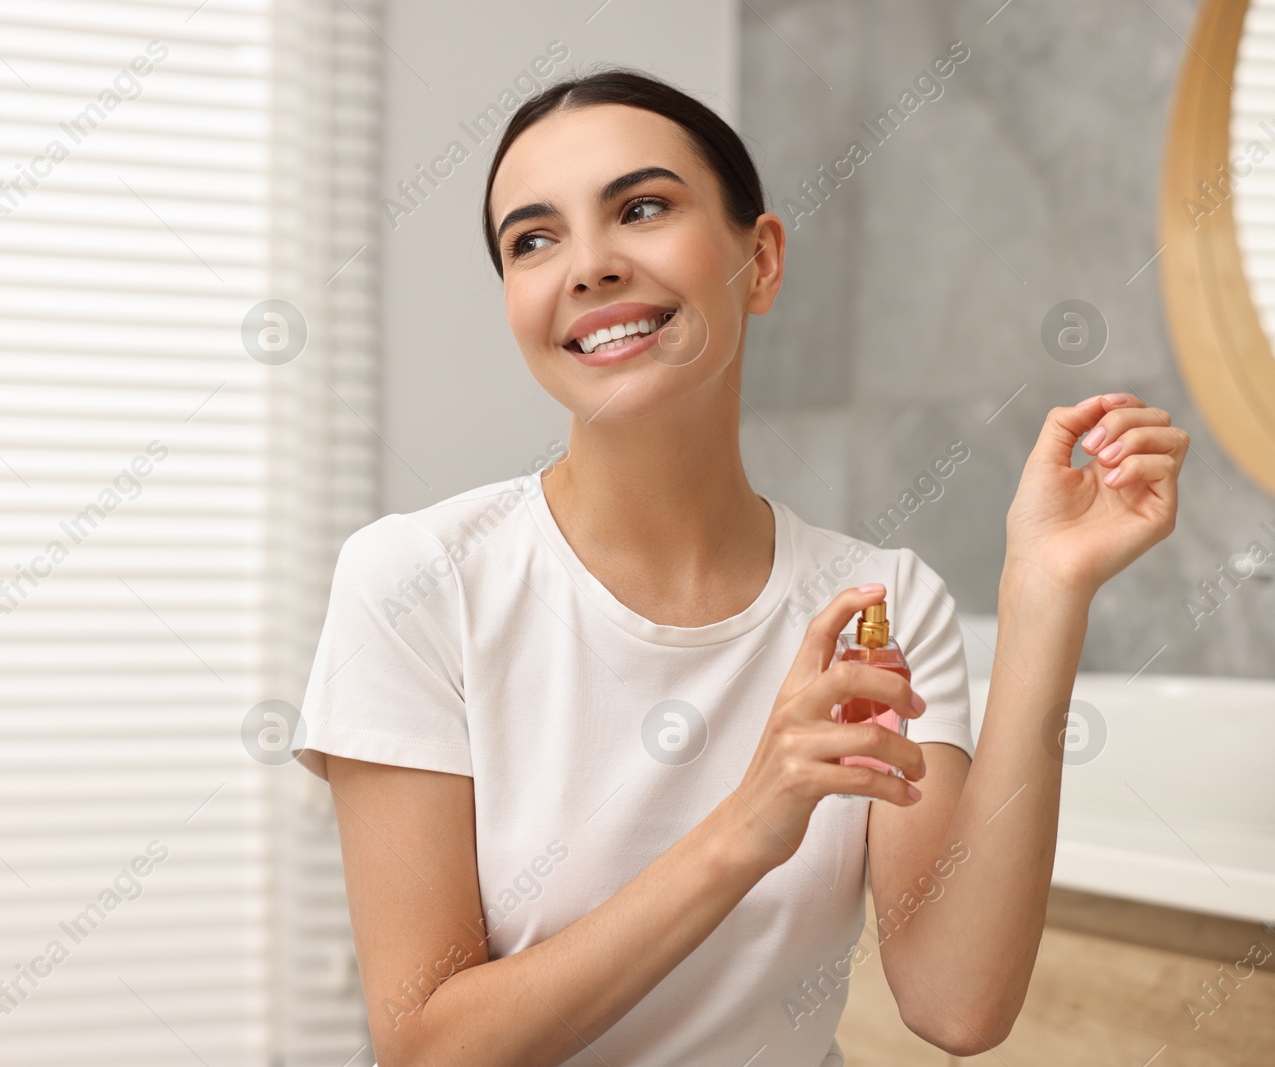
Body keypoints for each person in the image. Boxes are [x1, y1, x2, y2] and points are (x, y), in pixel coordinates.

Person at [292, 68, 1187, 1067]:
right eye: (533, 240)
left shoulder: (875, 606)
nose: (587, 266)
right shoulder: (420, 581)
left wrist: (1043, 592)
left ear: (757, 261)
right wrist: (746, 827)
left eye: (640, 207)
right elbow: (424, 1047)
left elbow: (957, 1002)